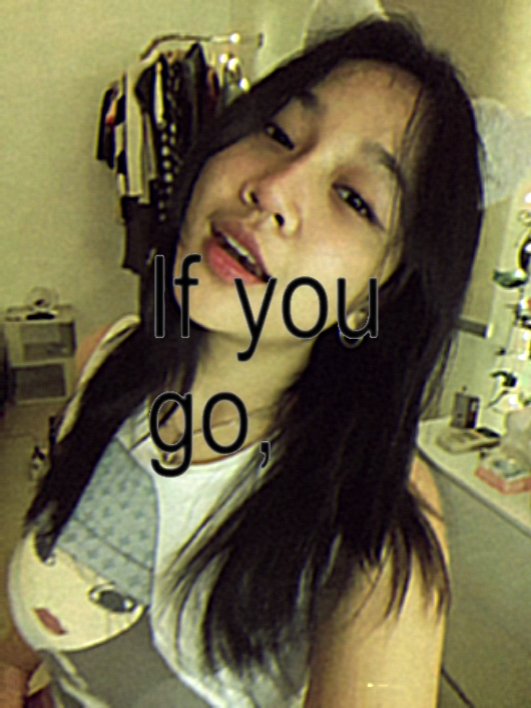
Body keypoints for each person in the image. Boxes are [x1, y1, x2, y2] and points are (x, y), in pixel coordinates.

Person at [0, 15, 483, 708]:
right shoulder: (106, 362)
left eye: (353, 198)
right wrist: (14, 664)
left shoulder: (376, 520)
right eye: (278, 133)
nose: (273, 188)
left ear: (380, 297)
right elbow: (61, 563)